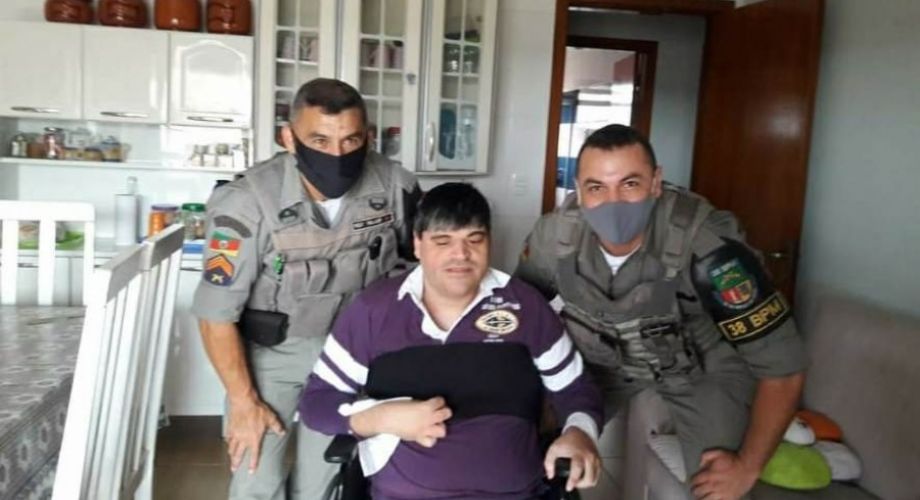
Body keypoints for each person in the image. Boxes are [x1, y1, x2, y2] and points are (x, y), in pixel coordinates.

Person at [515, 124, 807, 500]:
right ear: (579, 190)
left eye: (630, 184)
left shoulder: (709, 247)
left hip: (699, 370)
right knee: (520, 440)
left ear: (656, 183)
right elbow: (519, 317)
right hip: (599, 361)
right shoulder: (555, 235)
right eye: (596, 187)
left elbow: (783, 367)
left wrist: (747, 466)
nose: (613, 203)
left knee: (717, 485)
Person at [191, 78, 421, 500]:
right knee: (256, 480)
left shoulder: (394, 187)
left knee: (328, 483)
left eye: (351, 140)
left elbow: (422, 274)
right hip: (269, 359)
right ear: (288, 138)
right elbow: (214, 315)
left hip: (350, 357)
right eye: (320, 140)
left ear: (367, 137)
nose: (337, 154)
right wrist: (243, 402)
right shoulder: (245, 201)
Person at [300, 183, 604, 498]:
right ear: (418, 244)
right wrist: (381, 417)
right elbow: (316, 403)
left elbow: (576, 389)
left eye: (474, 239)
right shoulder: (373, 311)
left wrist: (579, 432)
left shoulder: (525, 306)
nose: (460, 254)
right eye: (443, 241)